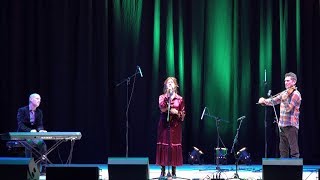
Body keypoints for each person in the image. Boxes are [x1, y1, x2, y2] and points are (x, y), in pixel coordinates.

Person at [258, 72, 302, 158]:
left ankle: (294, 170)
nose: (285, 82)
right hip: (282, 125)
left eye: (288, 81)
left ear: (294, 82)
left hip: (291, 126)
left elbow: (289, 109)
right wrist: (264, 101)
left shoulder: (296, 94)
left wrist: (285, 99)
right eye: (285, 81)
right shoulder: (284, 93)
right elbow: (274, 101)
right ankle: (284, 169)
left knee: (294, 151)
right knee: (283, 150)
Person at [156, 77, 186, 177]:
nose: (170, 84)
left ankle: (173, 170)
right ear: (165, 85)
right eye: (168, 83)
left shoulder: (180, 99)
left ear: (176, 85)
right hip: (164, 124)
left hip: (175, 126)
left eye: (172, 82)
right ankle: (162, 169)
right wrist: (167, 96)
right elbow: (162, 107)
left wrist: (177, 112)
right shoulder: (161, 97)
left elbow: (182, 115)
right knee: (164, 145)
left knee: (173, 146)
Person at [17, 93, 48, 174]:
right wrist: (29, 130)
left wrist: (40, 130)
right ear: (31, 99)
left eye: (40, 99)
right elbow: (20, 125)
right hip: (23, 135)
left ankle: (44, 167)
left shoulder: (39, 112)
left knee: (42, 144)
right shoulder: (22, 110)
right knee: (29, 143)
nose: (39, 101)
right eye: (37, 99)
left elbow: (39, 125)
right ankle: (30, 169)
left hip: (33, 135)